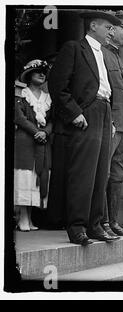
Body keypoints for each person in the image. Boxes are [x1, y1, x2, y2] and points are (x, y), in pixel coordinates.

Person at [48, 10, 122, 245]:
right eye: (108, 28)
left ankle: (95, 225)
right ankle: (77, 226)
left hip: (103, 112)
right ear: (93, 27)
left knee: (101, 173)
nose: (111, 32)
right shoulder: (74, 48)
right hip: (85, 114)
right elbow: (57, 86)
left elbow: (105, 90)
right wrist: (75, 113)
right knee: (83, 173)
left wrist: (109, 120)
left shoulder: (106, 55)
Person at [100, 12, 123, 237]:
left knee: (118, 175)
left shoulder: (120, 60)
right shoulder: (102, 55)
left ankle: (112, 221)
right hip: (111, 125)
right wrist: (110, 122)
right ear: (112, 31)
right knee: (102, 173)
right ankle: (101, 222)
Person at [14, 59, 52, 231]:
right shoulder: (21, 95)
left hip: (42, 143)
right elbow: (19, 117)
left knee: (37, 177)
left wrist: (45, 132)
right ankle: (22, 216)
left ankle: (29, 218)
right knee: (25, 176)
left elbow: (52, 121)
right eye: (38, 72)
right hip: (25, 141)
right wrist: (35, 131)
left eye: (44, 72)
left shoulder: (48, 99)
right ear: (29, 75)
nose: (41, 74)